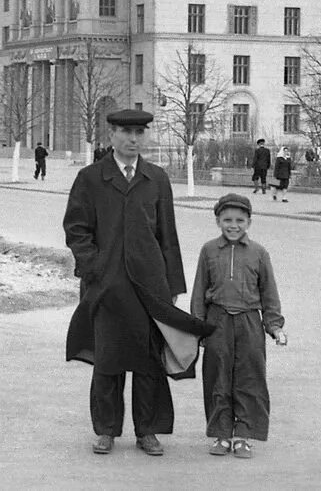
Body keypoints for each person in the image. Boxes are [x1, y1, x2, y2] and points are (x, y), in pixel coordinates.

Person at [65, 109, 215, 457]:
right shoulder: (90, 178)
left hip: (150, 286)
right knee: (108, 359)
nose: (133, 139)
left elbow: (168, 234)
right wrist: (95, 268)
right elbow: (76, 229)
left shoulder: (156, 179)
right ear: (111, 135)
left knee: (149, 362)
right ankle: (106, 431)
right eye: (126, 132)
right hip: (106, 286)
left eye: (139, 133)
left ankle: (147, 431)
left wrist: (173, 283)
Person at [190, 193, 286, 459]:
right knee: (217, 378)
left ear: (249, 222)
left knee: (249, 378)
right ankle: (221, 435)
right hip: (217, 321)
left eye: (240, 220)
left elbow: (269, 293)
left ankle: (243, 436)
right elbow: (199, 291)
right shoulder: (209, 250)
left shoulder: (259, 253)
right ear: (218, 221)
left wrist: (275, 326)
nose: (234, 225)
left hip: (249, 323)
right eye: (227, 220)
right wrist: (199, 327)